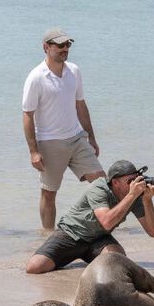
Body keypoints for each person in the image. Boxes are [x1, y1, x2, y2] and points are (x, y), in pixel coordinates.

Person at [22, 27, 106, 230]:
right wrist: (33, 151)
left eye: (67, 44)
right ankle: (48, 236)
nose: (65, 49)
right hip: (50, 142)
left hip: (77, 138)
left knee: (102, 184)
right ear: (46, 47)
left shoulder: (74, 71)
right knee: (49, 193)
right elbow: (27, 114)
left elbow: (80, 105)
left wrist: (91, 138)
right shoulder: (36, 77)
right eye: (60, 45)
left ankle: (101, 227)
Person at [26, 160, 154, 274]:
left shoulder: (135, 195)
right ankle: (72, 255)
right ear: (115, 182)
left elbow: (153, 232)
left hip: (99, 238)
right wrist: (131, 195)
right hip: (72, 233)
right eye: (129, 181)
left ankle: (87, 259)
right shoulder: (99, 188)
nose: (134, 184)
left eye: (136, 179)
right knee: (34, 267)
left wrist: (147, 201)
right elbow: (106, 222)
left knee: (117, 262)